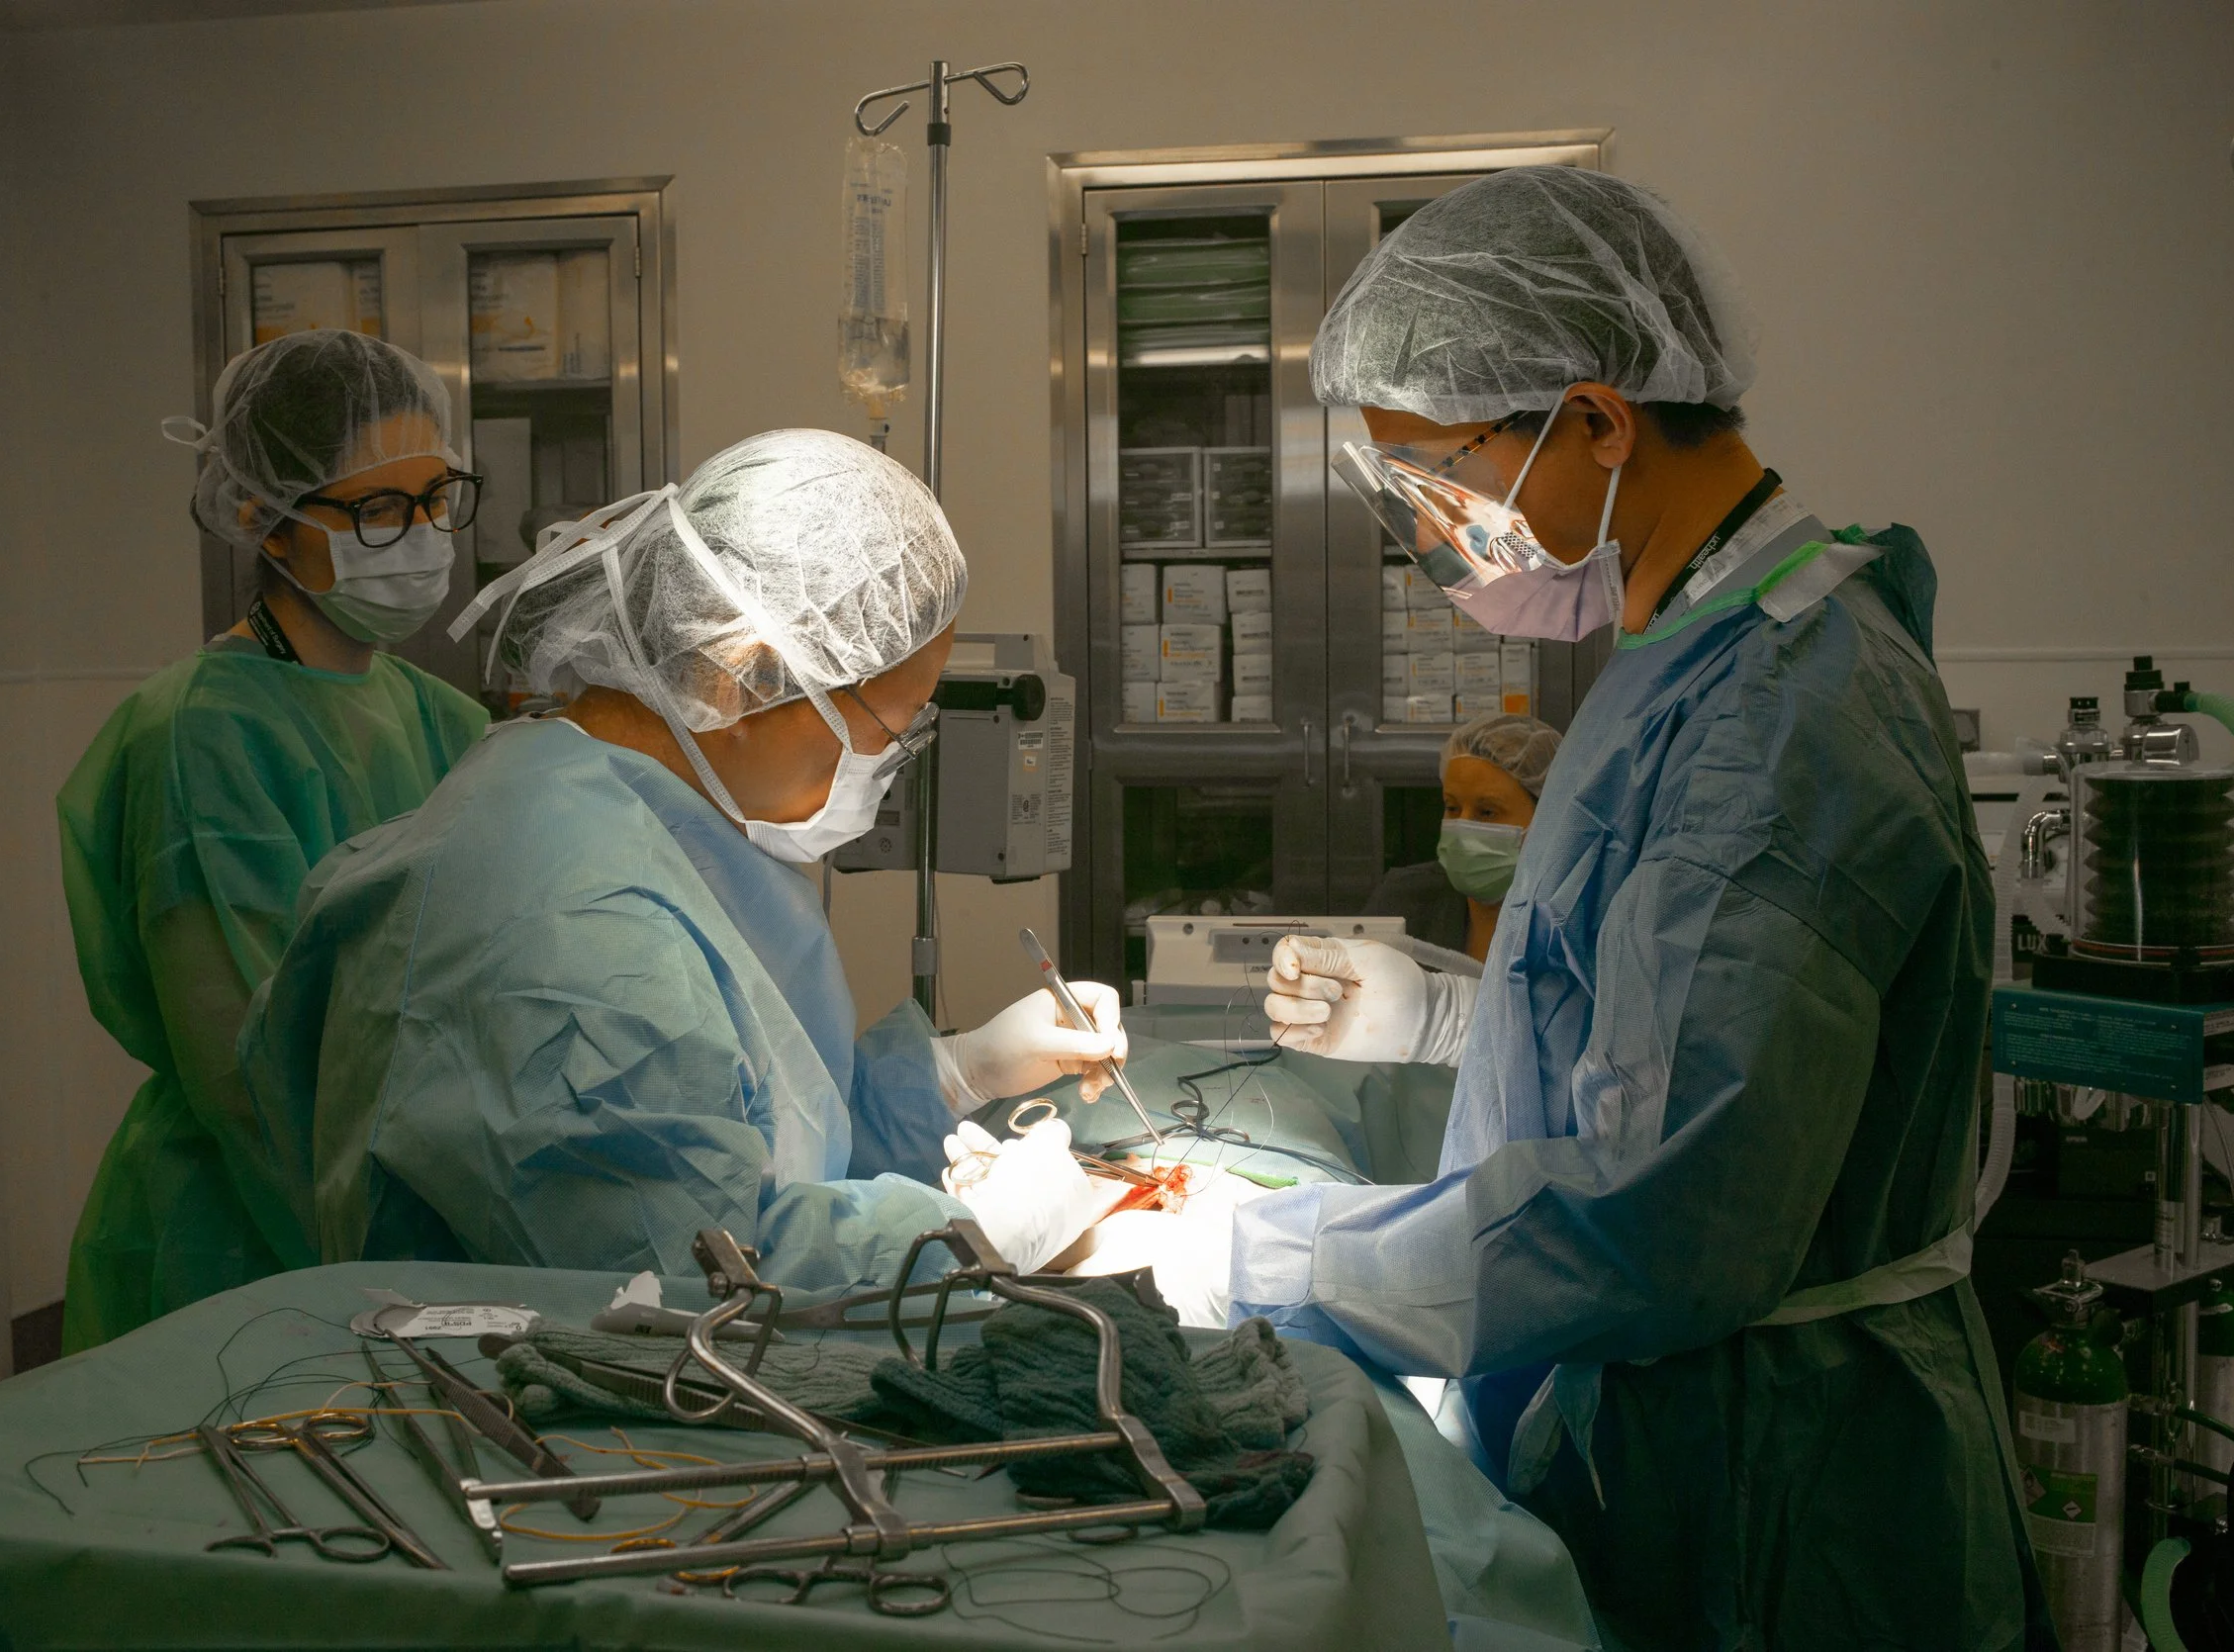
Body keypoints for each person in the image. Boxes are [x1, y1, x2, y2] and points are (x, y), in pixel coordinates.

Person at [1240, 167, 2035, 1649]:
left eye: (1442, 477)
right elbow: (1693, 1025)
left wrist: (1266, 1253)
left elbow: (1669, 1210)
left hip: (1784, 1501)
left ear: (1600, 421)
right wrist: (1442, 1011)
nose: (1430, 531)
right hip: (1700, 1440)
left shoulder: (1781, 710)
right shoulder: (1692, 640)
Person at [236, 429, 1126, 1292]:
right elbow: (706, 1279)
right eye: (888, 732)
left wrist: (957, 1071)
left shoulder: (631, 808)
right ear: (742, 679)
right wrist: (977, 1240)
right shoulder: (571, 934)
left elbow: (748, 1132)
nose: (884, 769)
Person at [58, 328, 489, 1350]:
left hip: (402, 1191)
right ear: (263, 517)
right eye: (379, 510)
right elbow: (245, 1067)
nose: (424, 534)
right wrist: (381, 1241)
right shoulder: (202, 731)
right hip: (247, 1229)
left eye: (437, 499)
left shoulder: (441, 717)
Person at [1361, 711, 1560, 963]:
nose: (1463, 827)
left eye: (1487, 812)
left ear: (1547, 817)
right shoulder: (1405, 900)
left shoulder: (1573, 922)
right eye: (1452, 807)